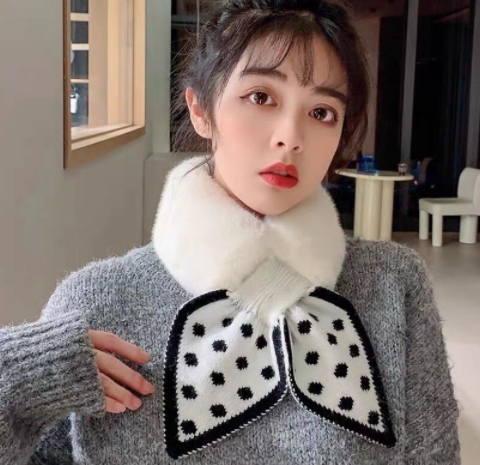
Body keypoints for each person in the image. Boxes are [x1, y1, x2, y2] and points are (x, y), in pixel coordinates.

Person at [0, 1, 461, 463]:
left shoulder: (393, 282)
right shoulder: (96, 302)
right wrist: (13, 377)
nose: (290, 137)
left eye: (322, 112)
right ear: (201, 110)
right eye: (261, 97)